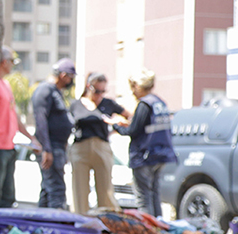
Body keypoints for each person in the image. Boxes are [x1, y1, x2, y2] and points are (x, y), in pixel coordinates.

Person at [113, 69, 177, 217]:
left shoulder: (144, 105)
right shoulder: (159, 103)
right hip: (161, 154)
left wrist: (116, 125)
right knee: (155, 195)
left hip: (145, 155)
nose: (132, 92)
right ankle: (158, 226)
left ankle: (148, 228)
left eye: (132, 88)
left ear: (138, 86)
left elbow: (134, 131)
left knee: (143, 198)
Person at [68, 73, 129, 213]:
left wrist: (116, 127)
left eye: (103, 91)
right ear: (89, 87)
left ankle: (108, 222)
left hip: (102, 145)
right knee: (80, 189)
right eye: (97, 91)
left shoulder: (108, 103)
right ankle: (80, 221)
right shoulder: (76, 105)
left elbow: (129, 116)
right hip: (81, 147)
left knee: (105, 189)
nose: (99, 94)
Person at [0, 47, 40, 209]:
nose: (13, 65)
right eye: (12, 61)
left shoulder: (5, 84)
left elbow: (15, 116)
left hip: (9, 145)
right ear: (4, 62)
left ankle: (4, 231)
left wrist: (31, 138)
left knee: (8, 195)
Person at [30, 58, 76, 211]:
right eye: (70, 77)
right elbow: (40, 119)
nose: (71, 81)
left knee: (48, 190)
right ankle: (56, 230)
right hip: (51, 147)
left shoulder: (56, 92)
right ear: (63, 75)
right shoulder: (45, 90)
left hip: (58, 146)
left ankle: (41, 227)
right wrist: (46, 149)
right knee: (56, 190)